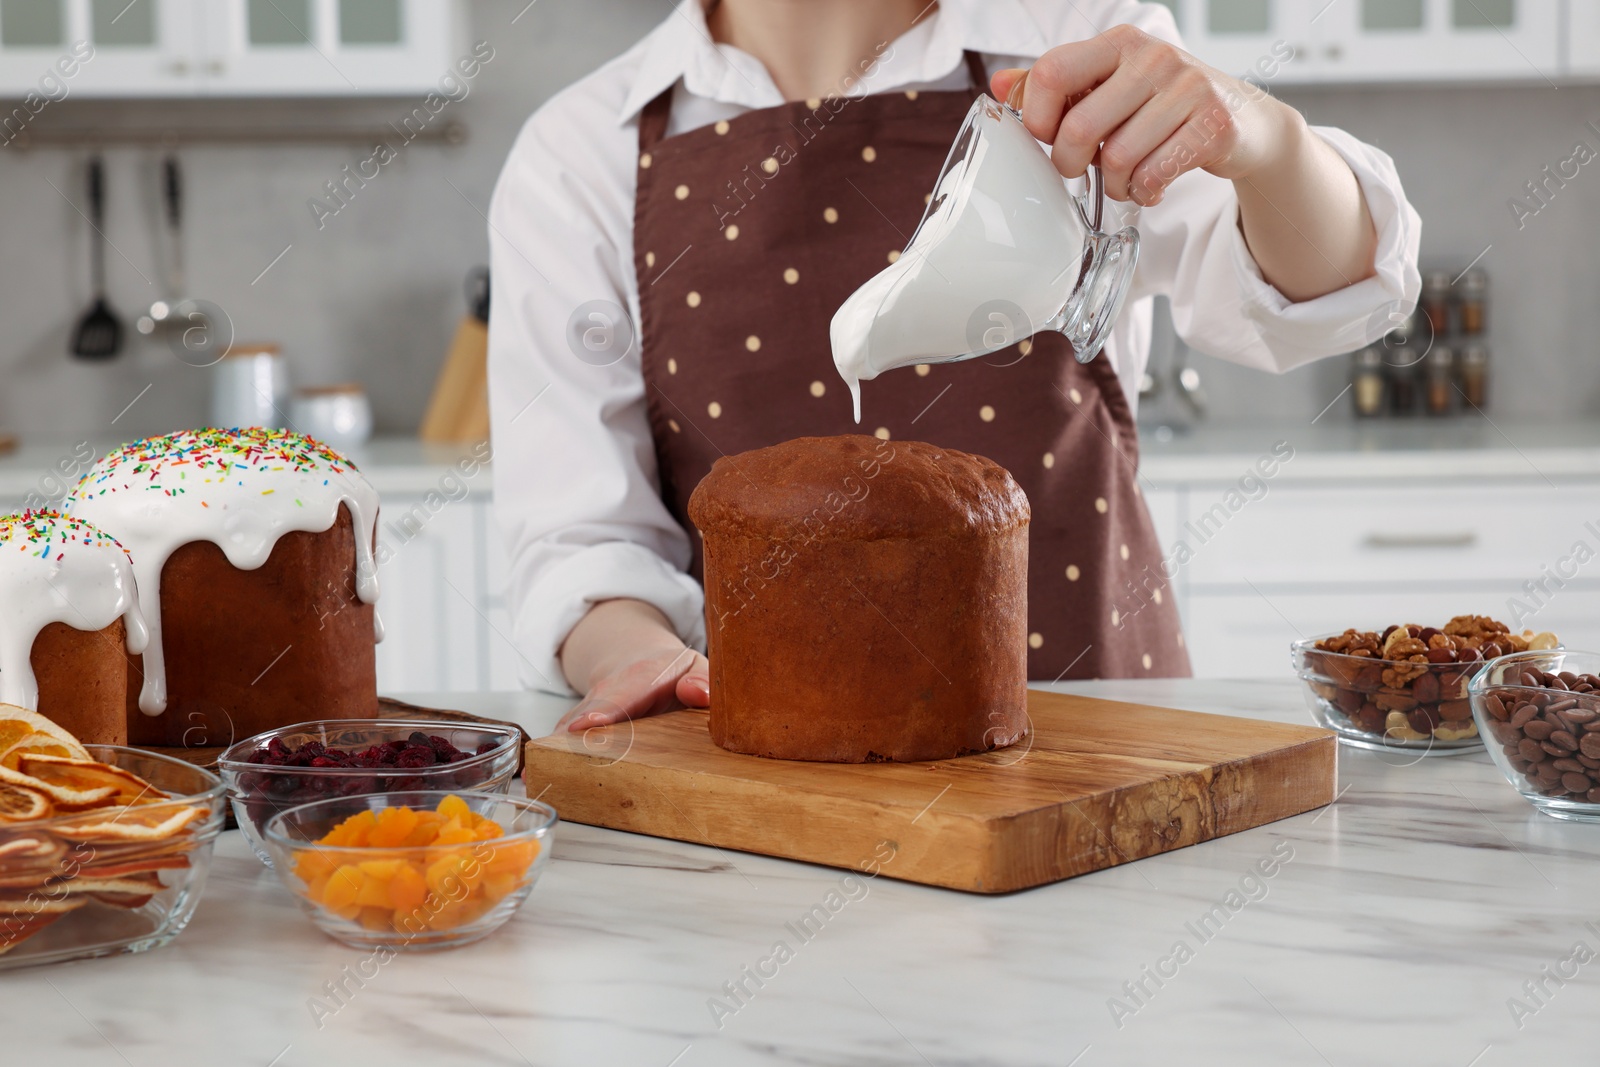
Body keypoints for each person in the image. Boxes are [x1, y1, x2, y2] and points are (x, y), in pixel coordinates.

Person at [487, 0, 1420, 732]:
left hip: (1097, 736)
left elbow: (1332, 291)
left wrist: (1263, 141)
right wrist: (635, 657)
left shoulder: (1073, 45)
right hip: (773, 752)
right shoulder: (583, 153)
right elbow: (579, 541)